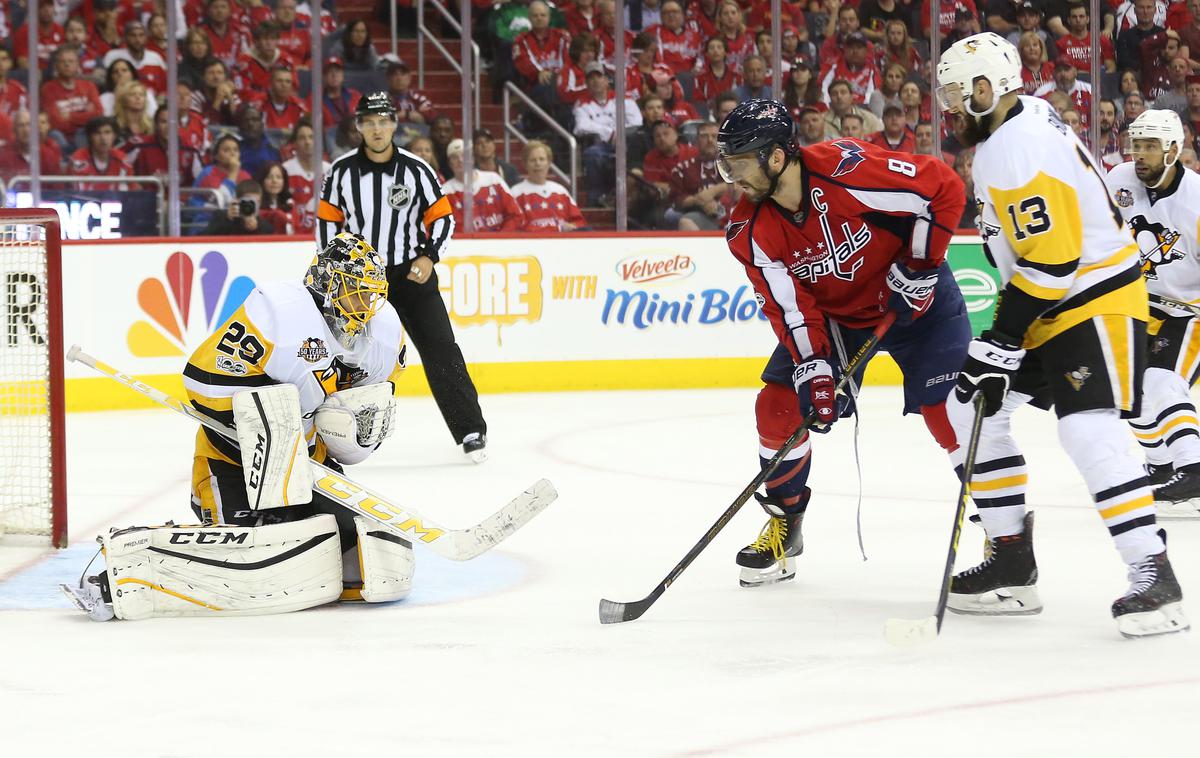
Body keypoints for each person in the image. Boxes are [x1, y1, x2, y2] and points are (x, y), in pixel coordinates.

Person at [936, 32, 1188, 638]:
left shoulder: (1012, 148)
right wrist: (999, 345)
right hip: (1056, 301)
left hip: (1092, 297)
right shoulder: (1026, 119)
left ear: (985, 88)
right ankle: (1012, 563)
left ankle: (1155, 577)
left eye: (954, 92)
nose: (947, 107)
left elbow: (1053, 260)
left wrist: (999, 341)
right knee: (968, 407)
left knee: (1087, 426)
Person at [67, 233, 412, 621]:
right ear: (329, 285)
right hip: (230, 465)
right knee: (248, 550)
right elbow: (202, 380)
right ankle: (129, 568)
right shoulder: (280, 315)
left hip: (310, 468)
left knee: (363, 547)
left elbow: (367, 406)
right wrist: (271, 417)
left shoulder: (383, 334)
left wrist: (348, 432)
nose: (366, 306)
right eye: (356, 292)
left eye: (372, 294)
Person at [716, 99, 970, 588]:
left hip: (920, 304)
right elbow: (789, 305)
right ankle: (785, 525)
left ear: (774, 157)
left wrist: (920, 265)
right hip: (839, 320)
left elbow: (943, 188)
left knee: (952, 412)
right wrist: (813, 366)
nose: (732, 176)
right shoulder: (749, 229)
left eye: (740, 162)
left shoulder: (846, 168)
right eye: (726, 163)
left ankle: (1004, 539)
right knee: (777, 407)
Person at [318, 93, 488, 461]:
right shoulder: (341, 172)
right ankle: (333, 437)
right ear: (358, 126)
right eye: (369, 121)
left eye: (384, 121)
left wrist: (430, 256)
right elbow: (327, 222)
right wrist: (334, 269)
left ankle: (471, 430)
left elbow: (443, 218)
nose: (377, 129)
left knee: (441, 349)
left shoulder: (417, 169)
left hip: (411, 275)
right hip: (360, 281)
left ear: (395, 124)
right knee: (344, 356)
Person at [1106, 110, 1200, 519]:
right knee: (1128, 392)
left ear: (1174, 150)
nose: (1139, 154)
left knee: (1162, 381)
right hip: (1140, 306)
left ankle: (1194, 468)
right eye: (1136, 145)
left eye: (1150, 146)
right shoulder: (1119, 181)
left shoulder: (1197, 199)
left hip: (1192, 311)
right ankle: (1160, 465)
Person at [443, 138, 527, 232]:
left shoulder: (494, 180)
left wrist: (500, 239)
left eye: (464, 155)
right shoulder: (446, 191)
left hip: (501, 243)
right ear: (449, 163)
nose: (460, 160)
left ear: (472, 158)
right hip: (468, 245)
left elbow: (515, 215)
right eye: (454, 157)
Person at [667, 120, 733, 230]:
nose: (710, 140)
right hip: (701, 216)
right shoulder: (683, 168)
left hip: (734, 214)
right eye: (704, 136)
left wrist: (714, 191)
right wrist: (699, 201)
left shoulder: (733, 164)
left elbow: (742, 186)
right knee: (685, 222)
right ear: (697, 140)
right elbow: (677, 200)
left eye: (714, 136)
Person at [511, 140, 586, 232]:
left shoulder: (560, 191)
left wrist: (573, 227)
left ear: (549, 163)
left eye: (541, 159)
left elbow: (579, 221)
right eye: (533, 160)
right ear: (525, 164)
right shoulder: (516, 193)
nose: (538, 164)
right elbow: (517, 227)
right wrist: (557, 228)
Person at [42, 45, 103, 147]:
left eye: (71, 61)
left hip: (86, 135)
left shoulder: (89, 86)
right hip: (63, 139)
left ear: (77, 65)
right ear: (56, 65)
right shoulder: (48, 89)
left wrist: (70, 116)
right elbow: (55, 123)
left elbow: (98, 114)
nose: (67, 65)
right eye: (63, 61)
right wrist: (86, 115)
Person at [282, 117, 331, 234]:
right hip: (294, 235)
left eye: (311, 137)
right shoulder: (285, 170)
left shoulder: (329, 170)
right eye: (302, 138)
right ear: (294, 143)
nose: (308, 142)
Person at [67, 115, 134, 191]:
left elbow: (131, 189)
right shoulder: (78, 159)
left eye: (107, 132)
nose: (103, 138)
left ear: (114, 135)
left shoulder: (122, 159)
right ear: (90, 137)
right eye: (97, 133)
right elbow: (78, 191)